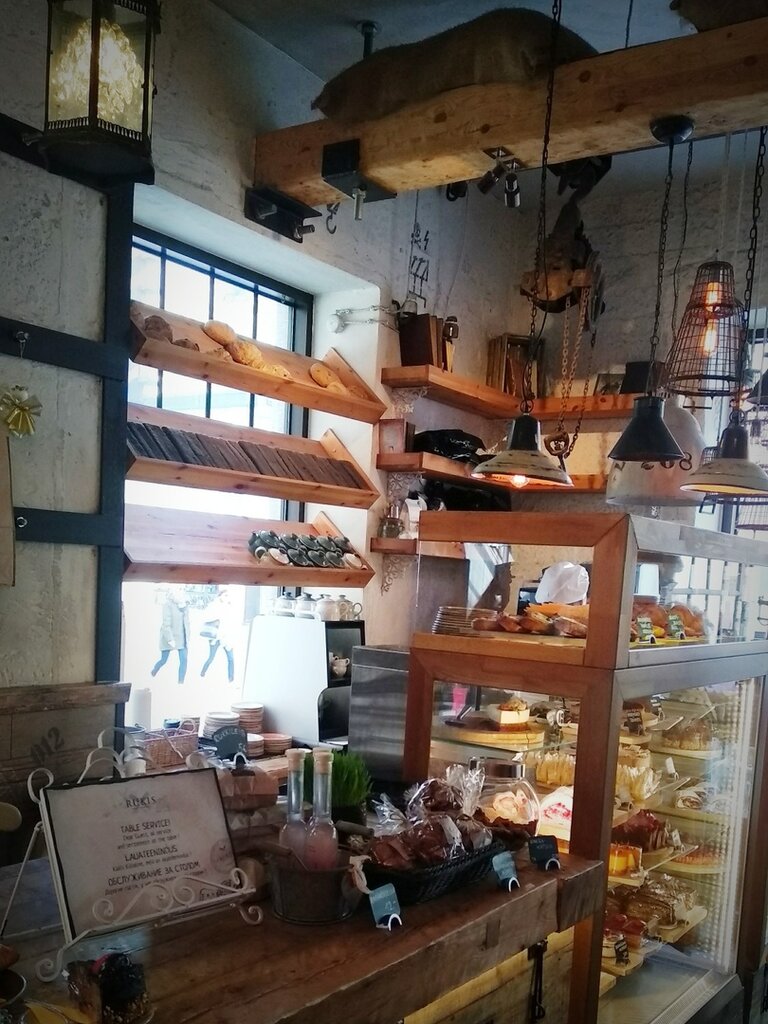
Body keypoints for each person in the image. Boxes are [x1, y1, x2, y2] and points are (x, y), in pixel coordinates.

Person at [151, 589, 190, 685]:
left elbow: (187, 622)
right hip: (169, 637)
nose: (181, 593)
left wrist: (188, 636)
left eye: (182, 591)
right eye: (178, 590)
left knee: (184, 660)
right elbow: (166, 624)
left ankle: (181, 682)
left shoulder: (185, 605)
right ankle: (153, 672)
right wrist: (170, 639)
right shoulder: (168, 605)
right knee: (163, 660)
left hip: (182, 638)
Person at [200, 588, 236, 683]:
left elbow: (232, 623)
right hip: (214, 637)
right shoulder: (213, 605)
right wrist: (217, 617)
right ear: (220, 596)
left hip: (226, 637)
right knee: (211, 657)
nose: (227, 597)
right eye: (225, 595)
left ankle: (231, 678)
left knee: (231, 658)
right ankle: (202, 672)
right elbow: (206, 618)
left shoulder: (230, 607)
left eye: (228, 596)